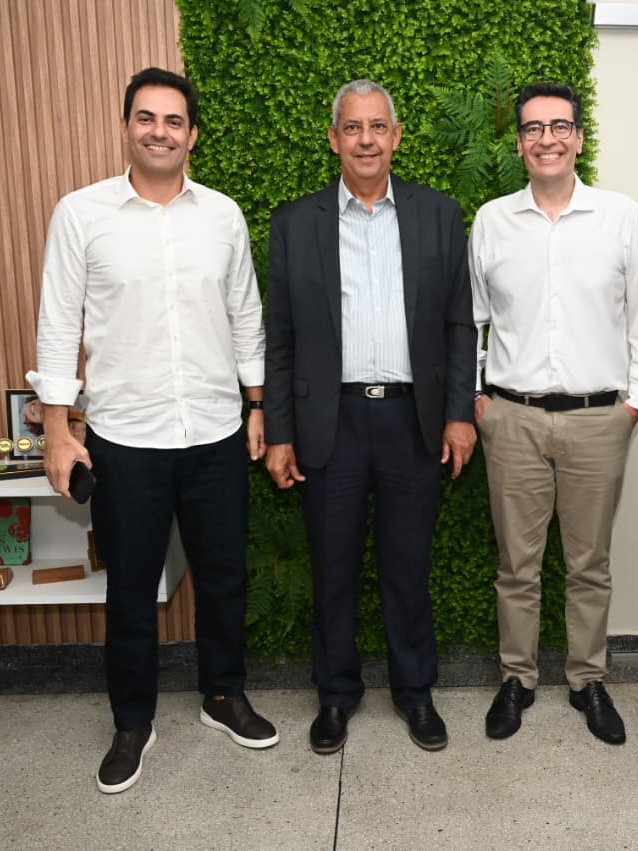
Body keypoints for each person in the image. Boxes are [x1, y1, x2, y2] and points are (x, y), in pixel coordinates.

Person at [28, 67, 277, 795]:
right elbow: (56, 325)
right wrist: (55, 428)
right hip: (124, 438)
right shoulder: (81, 214)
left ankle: (223, 694)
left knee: (225, 578)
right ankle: (132, 720)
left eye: (173, 120)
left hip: (214, 433)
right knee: (131, 590)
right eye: (146, 117)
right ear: (127, 125)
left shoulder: (222, 216)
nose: (160, 130)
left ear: (192, 135)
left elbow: (246, 318)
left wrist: (257, 406)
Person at [264, 79, 476, 755]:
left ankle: (416, 694)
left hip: (413, 422)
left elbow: (458, 325)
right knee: (333, 567)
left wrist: (459, 415)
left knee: (407, 566)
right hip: (331, 423)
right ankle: (336, 695)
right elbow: (281, 338)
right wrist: (279, 429)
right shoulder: (294, 223)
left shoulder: (439, 215)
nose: (365, 139)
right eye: (351, 128)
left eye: (376, 127)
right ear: (333, 139)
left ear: (396, 136)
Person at [470, 82, 638, 745]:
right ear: (519, 142)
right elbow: (473, 322)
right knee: (516, 564)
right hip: (513, 419)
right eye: (532, 128)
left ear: (580, 137)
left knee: (589, 563)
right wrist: (481, 401)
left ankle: (587, 680)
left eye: (559, 126)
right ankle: (517, 678)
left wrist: (630, 406)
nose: (546, 138)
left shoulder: (619, 216)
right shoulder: (492, 221)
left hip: (597, 420)